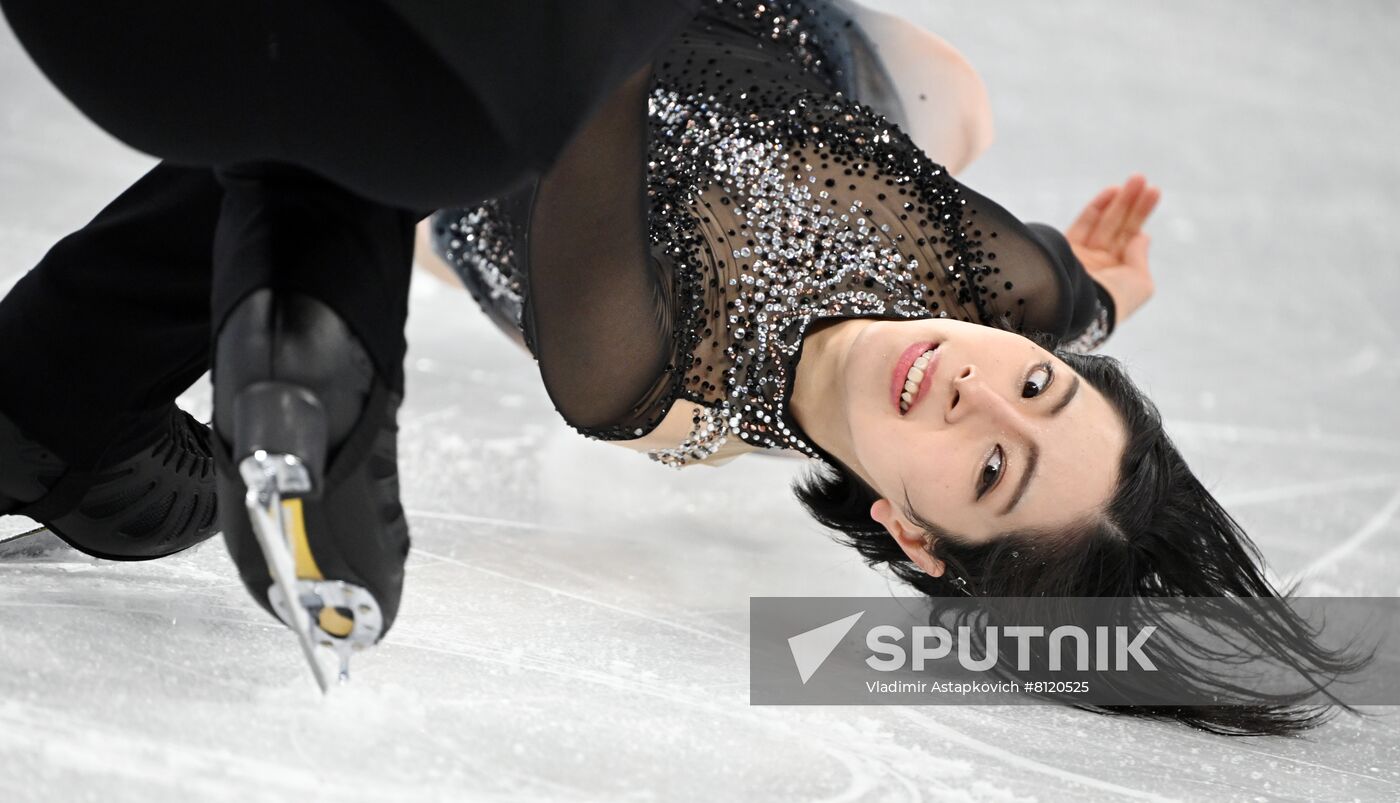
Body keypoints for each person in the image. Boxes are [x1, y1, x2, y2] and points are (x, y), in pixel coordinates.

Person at [420, 1, 1372, 734]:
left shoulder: (630, 366)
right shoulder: (1004, 286)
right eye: (1041, 385)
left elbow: (591, 57)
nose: (979, 389)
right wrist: (1102, 292)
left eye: (995, 470)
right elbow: (1071, 296)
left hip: (470, 75)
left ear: (917, 538)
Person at [0, 0, 701, 686]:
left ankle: (65, 377)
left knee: (354, 118)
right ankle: (307, 304)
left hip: (106, 37)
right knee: (395, 115)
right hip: (445, 77)